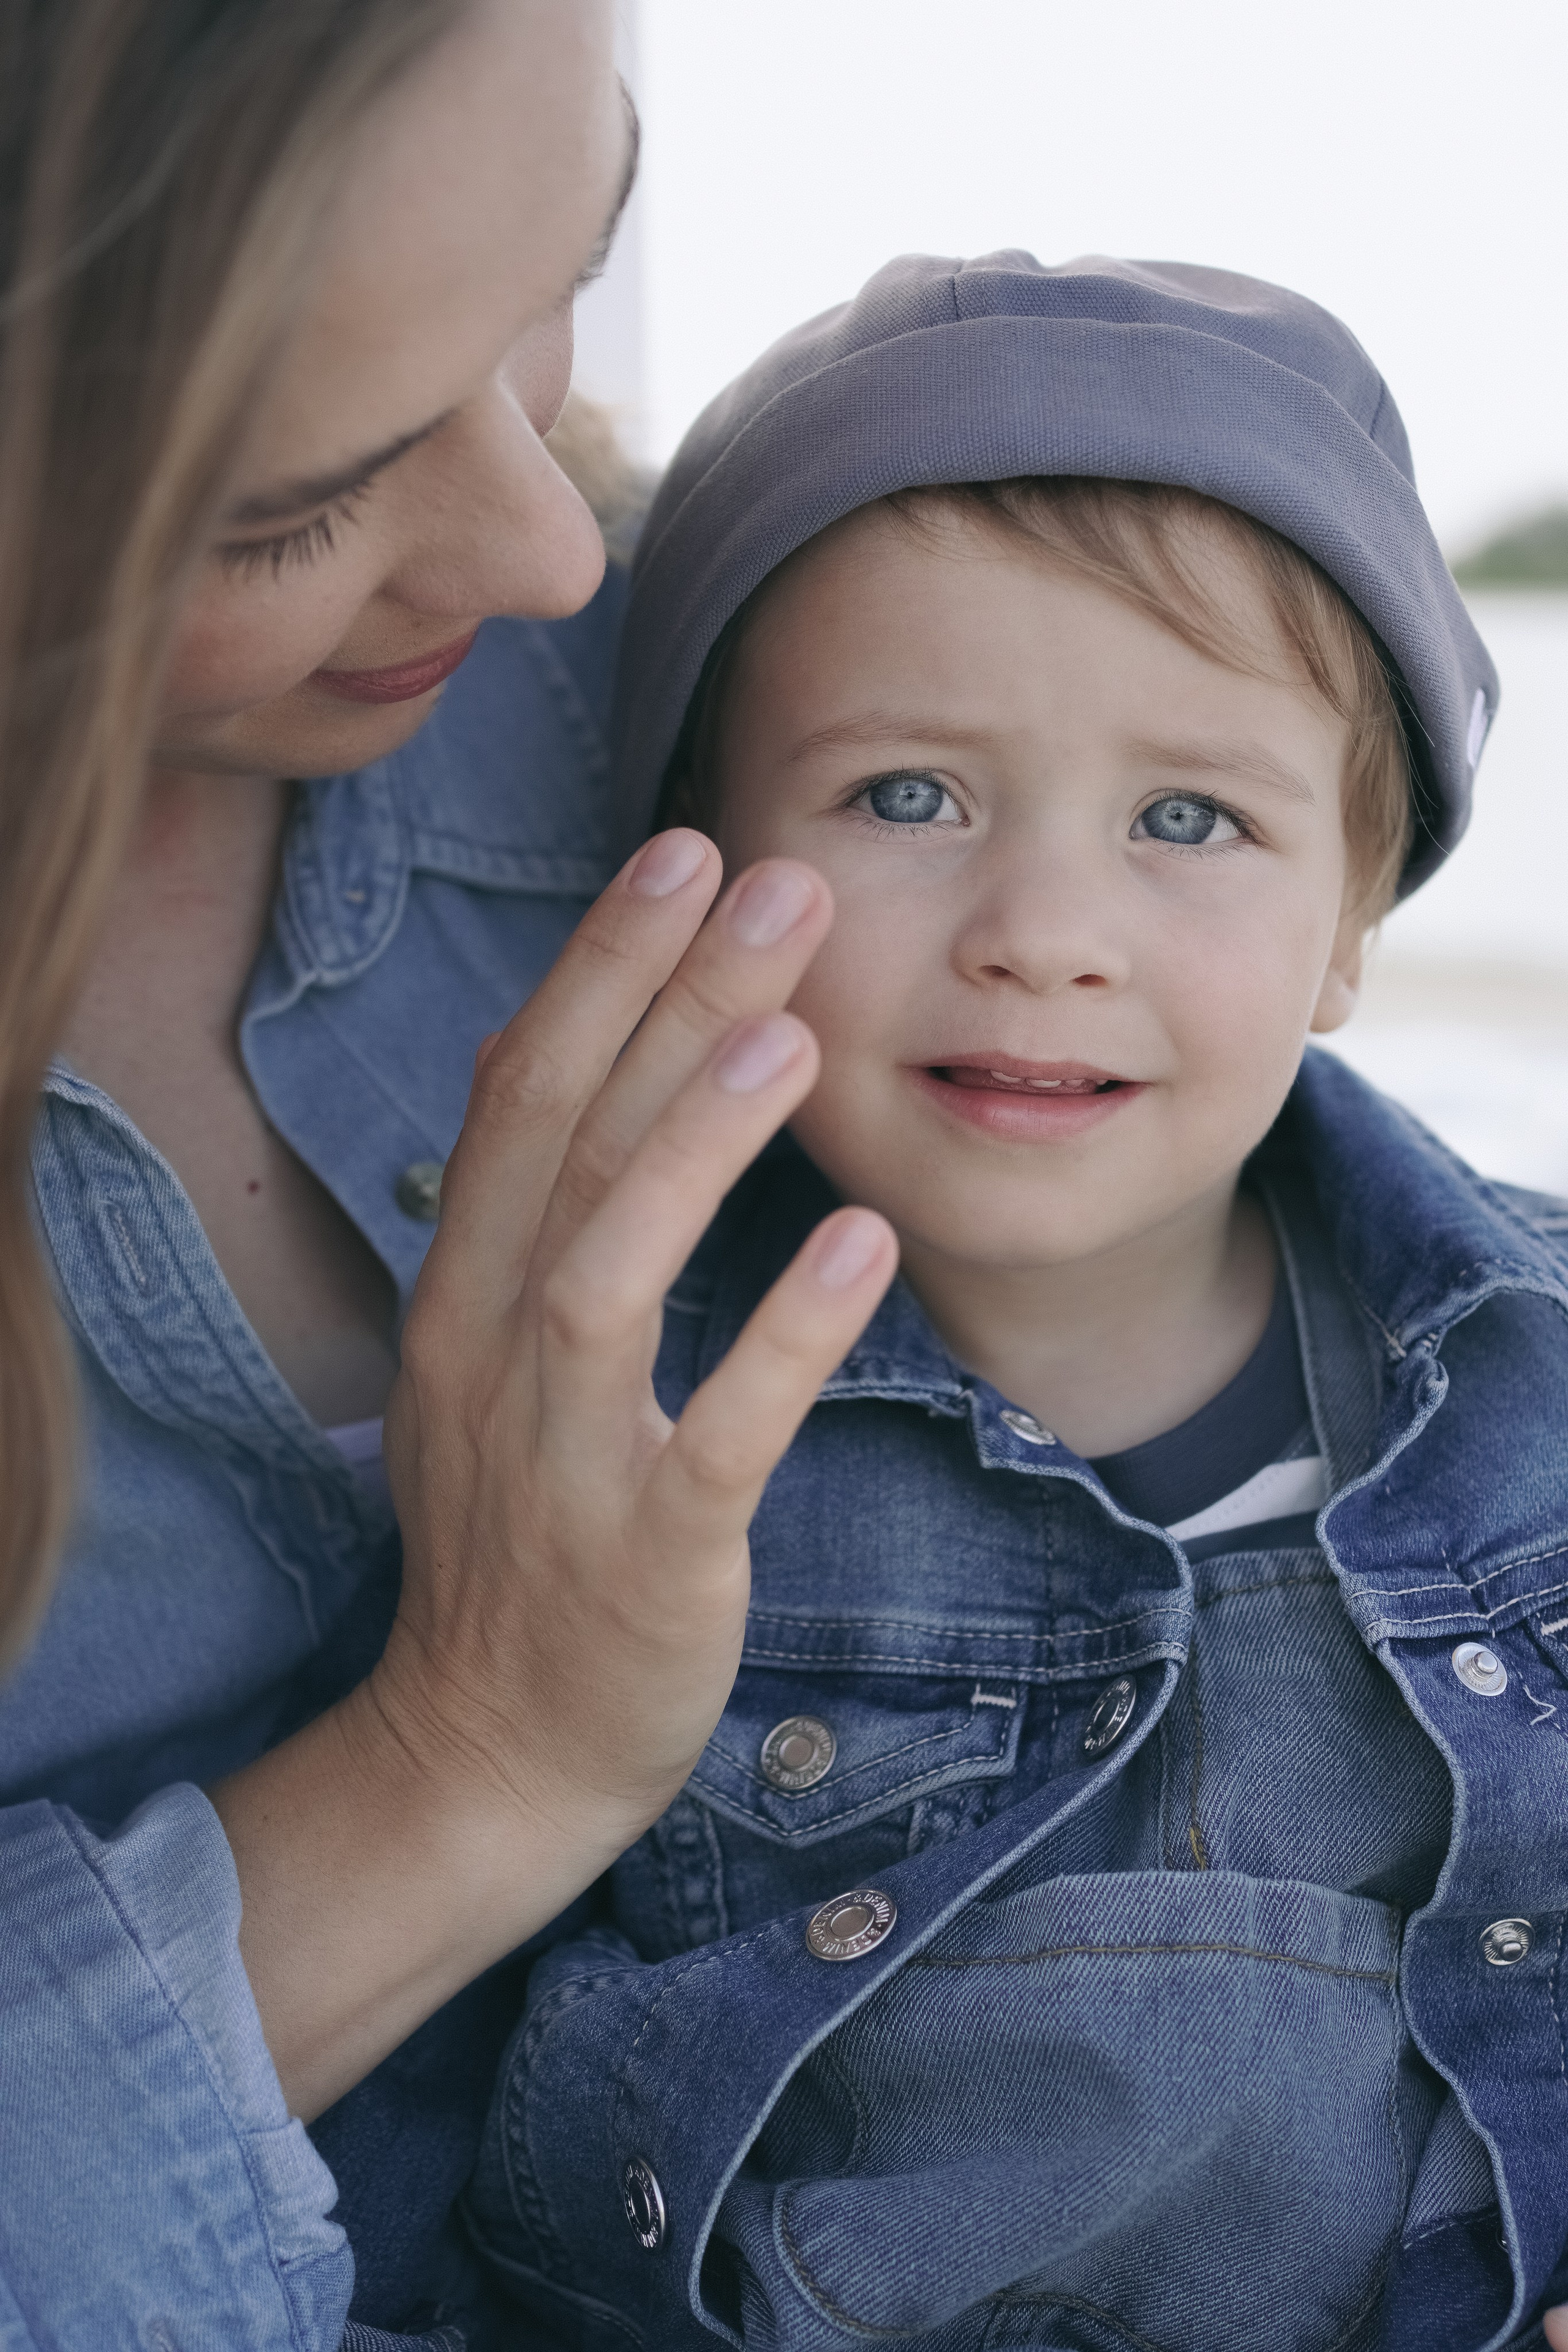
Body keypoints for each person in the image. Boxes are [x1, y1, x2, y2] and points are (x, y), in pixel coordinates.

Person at [464, 252, 1568, 2351]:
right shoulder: (605, 1432)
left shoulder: (1540, 1380)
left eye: (1190, 818)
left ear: (1353, 925)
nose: (1046, 931)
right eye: (908, 797)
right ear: (696, 863)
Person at [0, 4, 897, 2343]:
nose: (550, 552)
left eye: (564, 269)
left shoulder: (717, 698)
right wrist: (464, 1767)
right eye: (288, 504)